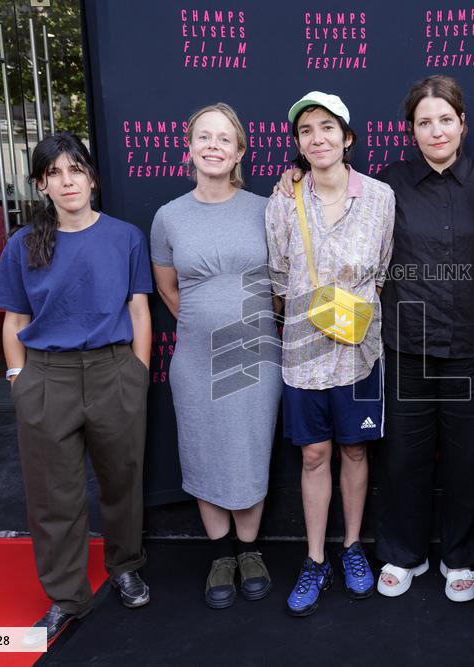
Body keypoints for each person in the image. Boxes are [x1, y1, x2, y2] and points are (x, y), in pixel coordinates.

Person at [276, 75, 474, 602]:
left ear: (463, 124)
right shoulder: (386, 185)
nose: (436, 130)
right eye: (425, 121)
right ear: (411, 130)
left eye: (446, 119)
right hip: (403, 346)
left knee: (469, 459)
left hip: (471, 347)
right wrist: (294, 180)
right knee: (403, 458)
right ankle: (403, 553)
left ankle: (462, 557)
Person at [0, 132, 153, 645]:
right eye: (54, 173)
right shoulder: (24, 243)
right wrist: (18, 379)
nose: (67, 180)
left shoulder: (125, 237)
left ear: (92, 176)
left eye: (75, 169)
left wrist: (137, 373)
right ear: (41, 185)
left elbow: (139, 309)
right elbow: (14, 320)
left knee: (122, 481)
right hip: (47, 377)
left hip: (112, 372)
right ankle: (66, 596)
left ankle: (124, 567)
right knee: (53, 495)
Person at [265, 91, 395, 616]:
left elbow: (382, 270)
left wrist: (349, 314)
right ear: (298, 144)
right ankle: (315, 559)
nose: (317, 138)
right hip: (302, 352)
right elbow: (278, 274)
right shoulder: (283, 200)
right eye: (306, 131)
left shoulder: (381, 197)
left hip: (361, 351)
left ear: (347, 137)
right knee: (314, 455)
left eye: (326, 128)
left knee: (356, 452)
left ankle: (352, 548)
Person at [150, 103, 282, 609]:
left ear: (240, 151)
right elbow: (168, 289)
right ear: (189, 148)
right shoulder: (169, 217)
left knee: (249, 447)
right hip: (196, 360)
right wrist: (209, 323)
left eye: (224, 139)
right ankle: (220, 555)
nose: (213, 146)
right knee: (203, 448)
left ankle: (250, 552)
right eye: (203, 137)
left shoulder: (265, 208)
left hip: (256, 354)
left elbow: (281, 285)